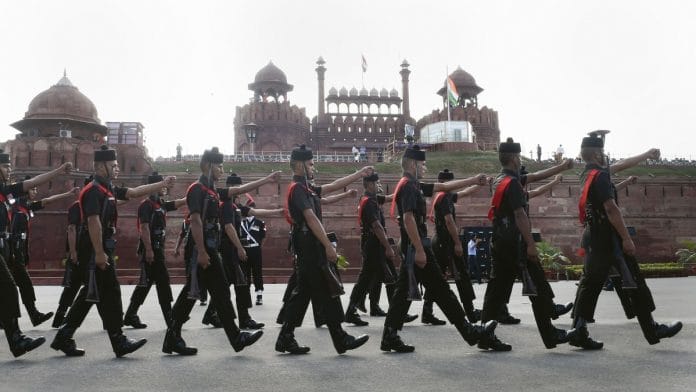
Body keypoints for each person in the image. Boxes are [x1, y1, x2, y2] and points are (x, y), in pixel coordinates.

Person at [51, 146, 173, 358]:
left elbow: (133, 193)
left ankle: (66, 336)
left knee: (92, 294)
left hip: (102, 246)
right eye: (113, 165)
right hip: (94, 248)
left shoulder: (107, 189)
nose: (117, 168)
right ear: (100, 166)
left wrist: (162, 184)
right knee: (108, 292)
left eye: (117, 165)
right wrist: (99, 253)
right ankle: (118, 340)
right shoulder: (92, 191)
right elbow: (93, 221)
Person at [380, 144, 497, 353]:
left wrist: (473, 180)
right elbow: (408, 219)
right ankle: (468, 331)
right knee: (441, 290)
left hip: (414, 248)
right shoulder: (408, 186)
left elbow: (442, 188)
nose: (425, 168)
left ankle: (390, 335)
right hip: (417, 248)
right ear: (413, 164)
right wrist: (420, 250)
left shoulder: (412, 184)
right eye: (423, 165)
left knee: (404, 293)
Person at [569, 135, 681, 349]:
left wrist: (646, 155)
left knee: (589, 285)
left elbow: (620, 165)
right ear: (596, 154)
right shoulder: (600, 175)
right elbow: (611, 209)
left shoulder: (587, 174)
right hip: (608, 238)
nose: (605, 156)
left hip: (592, 236)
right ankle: (652, 329)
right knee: (633, 281)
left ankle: (579, 330)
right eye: (602, 152)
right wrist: (626, 238)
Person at [163, 148, 276, 355]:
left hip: (210, 246)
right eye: (219, 166)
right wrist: (203, 251)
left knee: (211, 291)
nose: (222, 170)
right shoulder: (196, 189)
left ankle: (231, 337)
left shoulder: (213, 191)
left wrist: (266, 179)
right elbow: (195, 220)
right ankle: (177, 336)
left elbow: (236, 191)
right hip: (202, 248)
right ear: (208, 166)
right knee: (198, 291)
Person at [478, 138, 573, 351]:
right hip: (515, 243)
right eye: (518, 157)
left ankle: (485, 334)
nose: (520, 160)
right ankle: (550, 324)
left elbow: (536, 176)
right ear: (513, 158)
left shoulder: (501, 180)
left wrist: (561, 167)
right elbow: (520, 214)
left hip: (500, 241)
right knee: (536, 284)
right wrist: (530, 244)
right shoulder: (511, 183)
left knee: (496, 291)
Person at [275, 145, 370, 355]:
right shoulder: (297, 189)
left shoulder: (306, 187)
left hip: (310, 245)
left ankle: (285, 337)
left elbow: (334, 186)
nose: (313, 167)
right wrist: (328, 246)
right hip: (309, 247)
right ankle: (340, 338)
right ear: (300, 165)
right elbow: (310, 218)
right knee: (328, 289)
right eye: (310, 164)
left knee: (302, 295)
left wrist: (358, 173)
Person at [0, 150, 71, 358]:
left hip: (5, 248)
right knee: (10, 288)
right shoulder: (11, 199)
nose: (9, 170)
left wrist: (58, 174)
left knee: (9, 288)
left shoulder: (5, 193)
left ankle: (17, 337)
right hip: (8, 248)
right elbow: (30, 184)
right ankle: (17, 338)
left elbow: (39, 191)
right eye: (5, 166)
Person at [201, 173, 282, 330]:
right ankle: (243, 319)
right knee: (240, 284)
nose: (240, 190)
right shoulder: (226, 205)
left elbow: (255, 213)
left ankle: (215, 314)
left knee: (231, 284)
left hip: (231, 251)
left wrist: (277, 212)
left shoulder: (235, 206)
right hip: (229, 251)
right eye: (238, 187)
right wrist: (239, 248)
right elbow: (228, 227)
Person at [7, 176, 78, 327]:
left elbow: (47, 200)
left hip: (18, 251)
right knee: (19, 285)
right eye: (33, 189)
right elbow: (11, 232)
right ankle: (29, 316)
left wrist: (67, 194)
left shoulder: (26, 206)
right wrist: (14, 253)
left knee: (19, 285)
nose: (35, 191)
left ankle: (32, 315)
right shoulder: (15, 207)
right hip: (12, 252)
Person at [423, 169, 488, 326]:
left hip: (438, 241)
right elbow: (449, 221)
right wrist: (457, 243)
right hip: (447, 243)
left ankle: (427, 312)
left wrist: (478, 184)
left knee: (436, 279)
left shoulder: (442, 196)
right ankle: (470, 312)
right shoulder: (445, 197)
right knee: (461, 277)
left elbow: (464, 193)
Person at [123, 172, 186, 330]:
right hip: (151, 250)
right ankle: (170, 318)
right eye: (162, 185)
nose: (164, 188)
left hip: (157, 248)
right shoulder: (146, 205)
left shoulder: (160, 204)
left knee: (145, 283)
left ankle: (131, 315)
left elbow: (176, 203)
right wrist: (149, 250)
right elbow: (144, 227)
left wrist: (190, 197)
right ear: (154, 187)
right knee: (163, 282)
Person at [53, 176, 94, 328]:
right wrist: (73, 252)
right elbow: (71, 229)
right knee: (76, 287)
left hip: (88, 252)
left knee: (77, 286)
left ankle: (60, 318)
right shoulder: (77, 206)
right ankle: (61, 318)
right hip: (81, 252)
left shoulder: (87, 205)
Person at [239, 198, 266, 306]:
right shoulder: (241, 222)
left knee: (257, 272)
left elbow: (263, 237)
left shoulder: (260, 223)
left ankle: (259, 294)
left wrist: (258, 247)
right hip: (244, 249)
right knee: (245, 273)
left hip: (255, 250)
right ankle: (246, 296)